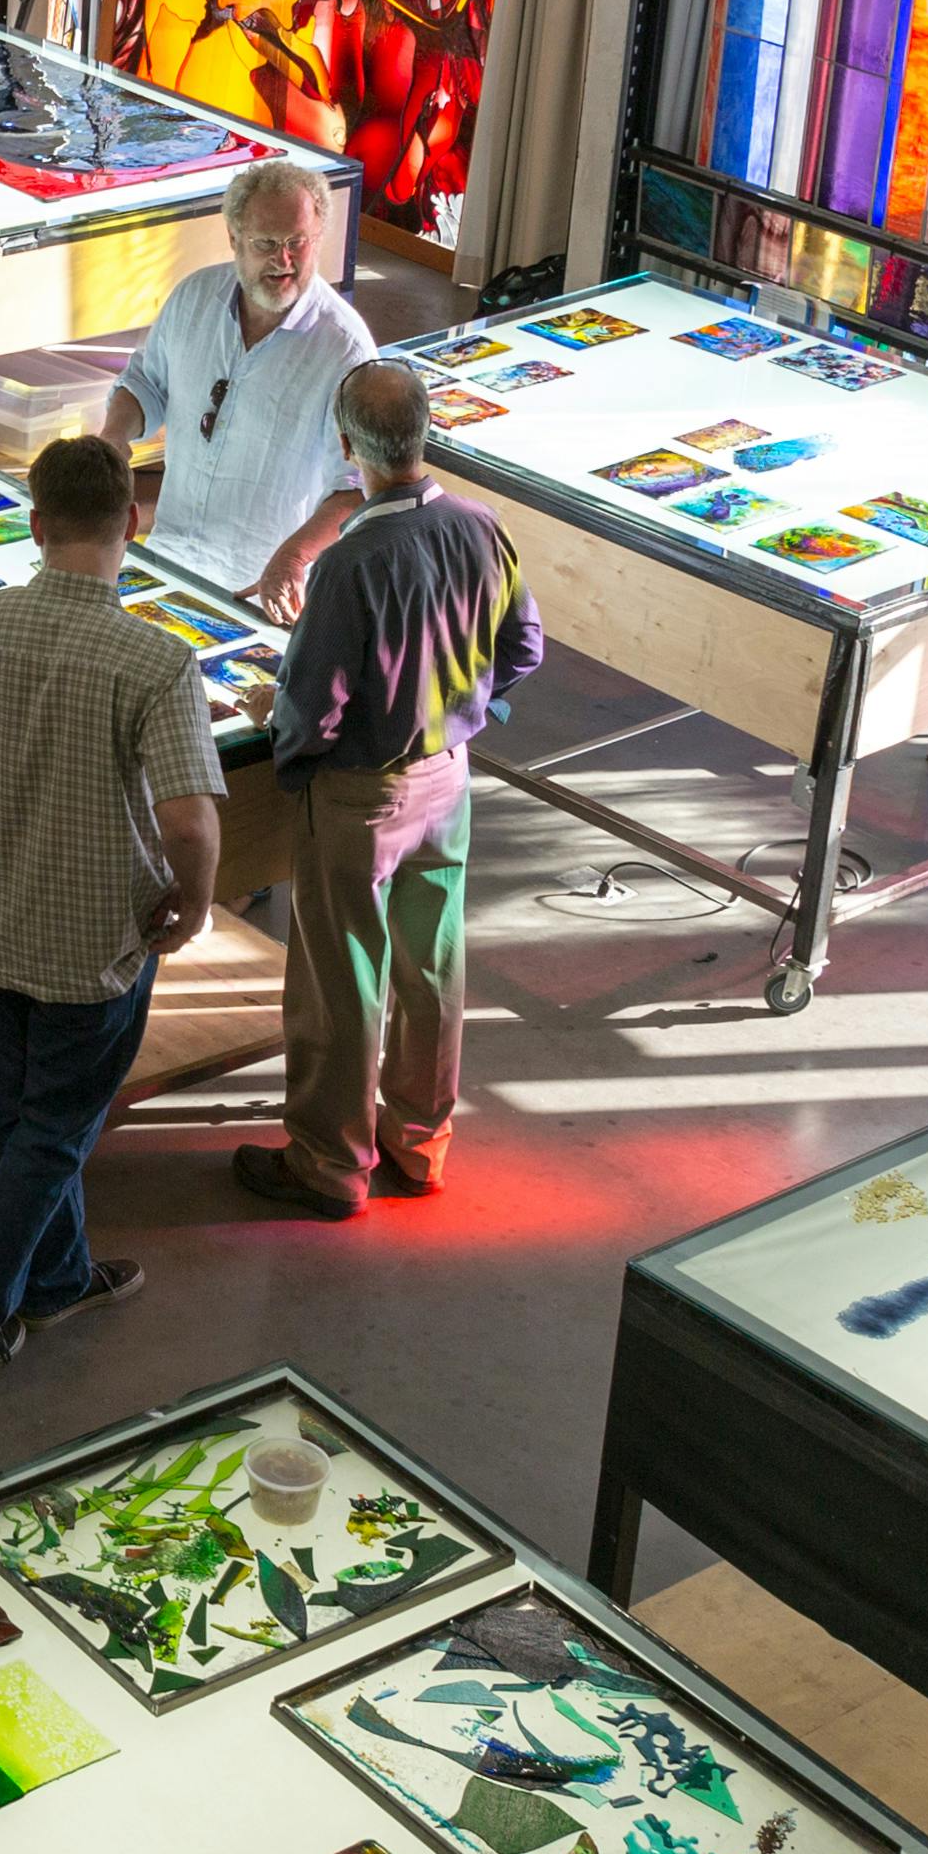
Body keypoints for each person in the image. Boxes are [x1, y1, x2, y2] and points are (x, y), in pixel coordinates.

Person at [0, 435, 217, 1375]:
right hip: (95, 947)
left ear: (35, 524)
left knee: (19, 1116)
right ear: (131, 521)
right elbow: (191, 822)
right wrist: (194, 904)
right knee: (53, 1132)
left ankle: (55, 1280)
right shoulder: (156, 660)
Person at [239, 360, 542, 1217]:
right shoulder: (482, 528)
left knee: (343, 979)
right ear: (426, 432)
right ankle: (420, 1142)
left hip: (360, 796)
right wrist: (462, 700)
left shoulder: (348, 563)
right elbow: (523, 649)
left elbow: (313, 706)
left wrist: (278, 724)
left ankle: (331, 1164)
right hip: (449, 780)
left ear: (347, 448)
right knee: (431, 967)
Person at [102, 160, 376, 620]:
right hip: (165, 565)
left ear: (319, 239)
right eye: (266, 243)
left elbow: (357, 490)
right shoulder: (193, 298)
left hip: (260, 590)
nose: (282, 260)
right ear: (233, 239)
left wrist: (293, 558)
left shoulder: (346, 352)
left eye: (297, 243)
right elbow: (145, 382)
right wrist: (112, 437)